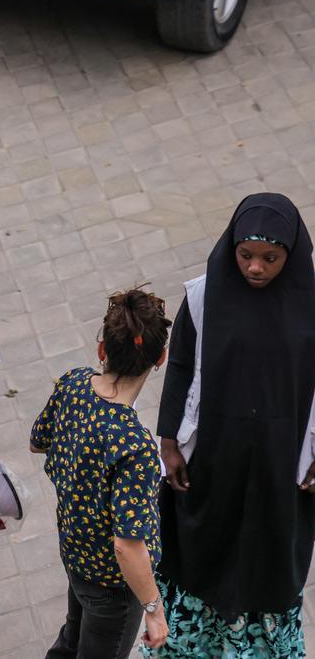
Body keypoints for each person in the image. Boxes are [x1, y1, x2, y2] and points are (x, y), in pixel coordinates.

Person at [145, 193, 315, 657]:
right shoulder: (203, 298)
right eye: (245, 255)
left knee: (270, 561)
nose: (256, 267)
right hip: (213, 464)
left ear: (293, 255)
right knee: (206, 554)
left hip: (281, 470)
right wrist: (169, 443)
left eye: (271, 258)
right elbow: (180, 367)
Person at [31, 287, 172, 658]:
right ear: (160, 358)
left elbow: (38, 441)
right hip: (113, 587)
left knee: (70, 643)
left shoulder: (73, 384)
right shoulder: (135, 446)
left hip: (76, 556)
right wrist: (154, 611)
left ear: (102, 350)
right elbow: (127, 545)